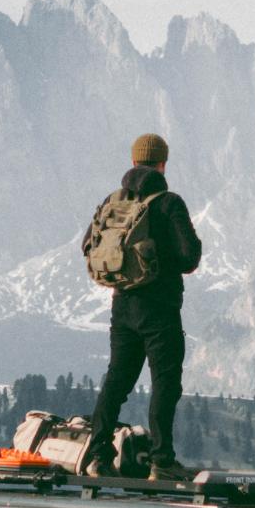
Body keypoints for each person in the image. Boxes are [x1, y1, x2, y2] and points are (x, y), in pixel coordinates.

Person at [81, 133, 202, 480]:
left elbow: (87, 245)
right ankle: (162, 462)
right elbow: (189, 256)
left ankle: (98, 456)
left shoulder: (113, 200)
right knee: (165, 381)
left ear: (133, 162)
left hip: (122, 306)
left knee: (117, 381)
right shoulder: (168, 203)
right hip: (159, 309)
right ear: (163, 163)